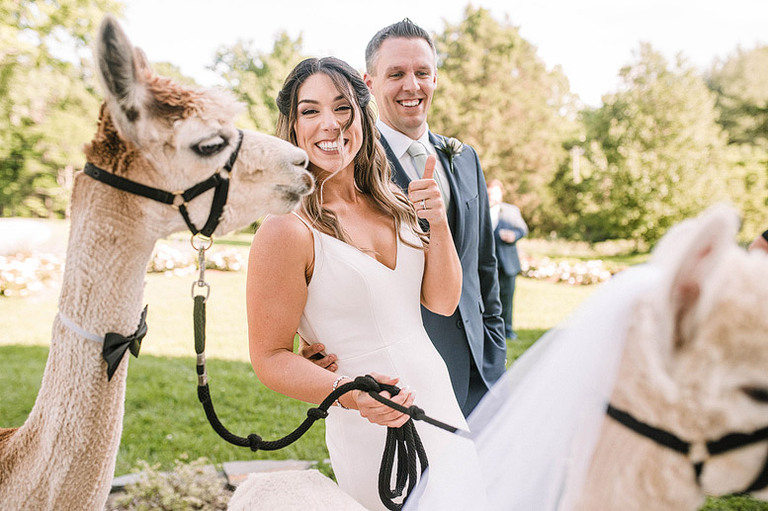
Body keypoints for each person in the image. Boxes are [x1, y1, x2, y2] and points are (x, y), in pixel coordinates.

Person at [246, 56, 469, 511]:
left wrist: (437, 223)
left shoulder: (392, 203)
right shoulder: (286, 230)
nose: (329, 123)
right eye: (310, 111)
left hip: (440, 402)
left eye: (342, 107)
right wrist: (350, 395)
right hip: (372, 428)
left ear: (362, 116)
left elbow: (443, 303)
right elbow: (268, 357)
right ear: (292, 127)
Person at [303, 18, 507, 417]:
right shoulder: (348, 163)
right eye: (396, 73)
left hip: (479, 371)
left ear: (435, 78)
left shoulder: (464, 159)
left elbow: (485, 263)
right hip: (397, 380)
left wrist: (494, 345)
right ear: (370, 83)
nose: (411, 85)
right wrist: (308, 344)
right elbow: (321, 259)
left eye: (422, 73)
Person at [487, 179, 528, 340]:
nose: (492, 197)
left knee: (507, 297)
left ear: (501, 194)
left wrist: (513, 236)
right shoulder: (480, 209)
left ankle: (508, 330)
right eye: (489, 193)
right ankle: (490, 330)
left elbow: (522, 229)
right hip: (487, 264)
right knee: (489, 297)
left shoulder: (512, 211)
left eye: (495, 194)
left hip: (507, 263)